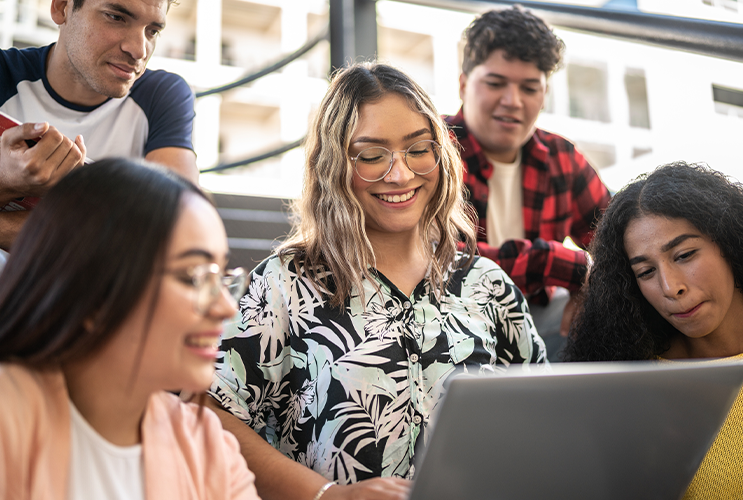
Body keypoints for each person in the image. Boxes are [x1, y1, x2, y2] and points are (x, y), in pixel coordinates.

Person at [208, 62, 547, 500]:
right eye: (371, 156)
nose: (400, 174)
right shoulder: (284, 283)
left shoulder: (487, 284)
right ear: (333, 165)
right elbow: (210, 412)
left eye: (418, 149)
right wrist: (329, 495)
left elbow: (544, 415)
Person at [0, 159, 259, 500]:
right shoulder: (3, 420)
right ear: (92, 292)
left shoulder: (210, 450)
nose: (226, 307)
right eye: (195, 277)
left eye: (223, 278)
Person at [564, 162, 743, 498]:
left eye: (685, 255)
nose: (670, 287)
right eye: (645, 272)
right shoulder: (633, 382)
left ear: (730, 240)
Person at [444, 6, 611, 358]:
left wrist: (594, 284)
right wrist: (557, 263)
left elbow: (620, 240)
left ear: (544, 94)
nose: (513, 101)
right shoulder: (429, 150)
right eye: (495, 83)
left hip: (535, 324)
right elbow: (437, 258)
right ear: (462, 85)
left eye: (529, 87)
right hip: (446, 325)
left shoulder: (561, 158)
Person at [0, 0, 197, 280]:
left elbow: (183, 234)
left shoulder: (162, 95)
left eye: (152, 31)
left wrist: (1, 228)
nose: (138, 50)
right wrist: (4, 181)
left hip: (95, 316)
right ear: (62, 7)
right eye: (116, 17)